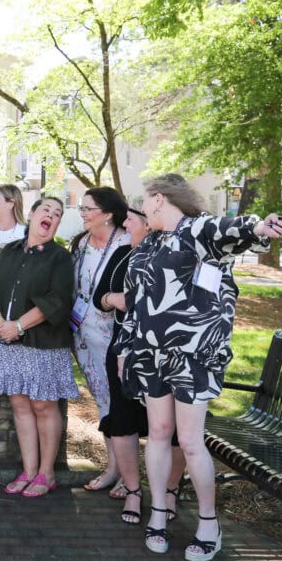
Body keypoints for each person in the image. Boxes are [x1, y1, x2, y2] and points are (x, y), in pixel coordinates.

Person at [116, 173, 282, 561]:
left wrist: (260, 225)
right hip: (152, 355)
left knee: (192, 441)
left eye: (144, 202)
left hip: (193, 357)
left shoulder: (197, 230)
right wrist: (125, 348)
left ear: (159, 199)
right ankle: (160, 514)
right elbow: (137, 301)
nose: (142, 209)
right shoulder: (150, 244)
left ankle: (208, 522)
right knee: (159, 433)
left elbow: (231, 229)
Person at [0, 197, 77, 497]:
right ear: (31, 215)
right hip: (8, 340)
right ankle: (29, 471)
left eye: (57, 214)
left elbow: (58, 300)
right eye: (46, 210)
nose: (51, 216)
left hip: (42, 343)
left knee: (43, 405)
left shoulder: (60, 258)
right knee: (19, 405)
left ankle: (47, 474)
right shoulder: (10, 251)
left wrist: (18, 326)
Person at [92, 206, 186, 525]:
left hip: (164, 352)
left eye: (131, 220)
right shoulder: (121, 253)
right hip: (122, 348)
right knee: (122, 419)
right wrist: (112, 299)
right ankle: (134, 490)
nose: (125, 224)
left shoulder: (171, 253)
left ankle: (170, 492)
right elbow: (98, 297)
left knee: (171, 428)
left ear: (148, 225)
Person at [70, 187, 132, 497]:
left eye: (87, 208)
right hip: (83, 335)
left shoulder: (127, 242)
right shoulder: (81, 244)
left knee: (121, 405)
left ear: (107, 213)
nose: (82, 213)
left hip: (115, 338)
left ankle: (128, 477)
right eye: (81, 208)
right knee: (103, 402)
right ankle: (114, 468)